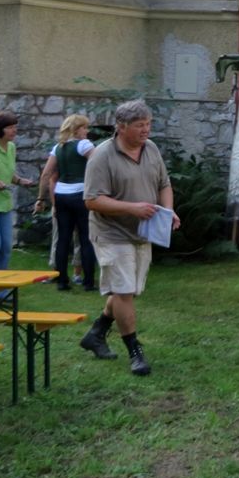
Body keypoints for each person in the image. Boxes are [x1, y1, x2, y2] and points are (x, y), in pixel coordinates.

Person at [78, 100, 180, 376]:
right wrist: (132, 208)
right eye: (139, 125)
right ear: (121, 127)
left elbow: (164, 184)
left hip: (142, 233)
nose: (146, 130)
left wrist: (167, 211)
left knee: (127, 290)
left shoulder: (151, 149)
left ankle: (96, 333)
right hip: (111, 234)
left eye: (148, 124)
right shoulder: (102, 156)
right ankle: (135, 352)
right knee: (123, 291)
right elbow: (92, 200)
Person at [34, 114, 98, 291]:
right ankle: (88, 282)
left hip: (61, 195)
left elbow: (46, 175)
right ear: (76, 129)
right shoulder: (84, 145)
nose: (87, 131)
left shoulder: (58, 148)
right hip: (80, 195)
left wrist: (41, 198)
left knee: (63, 238)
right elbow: (98, 163)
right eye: (84, 127)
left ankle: (62, 281)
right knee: (86, 238)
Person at [0, 112, 35, 301]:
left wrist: (20, 180)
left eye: (15, 127)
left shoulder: (12, 147)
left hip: (4, 203)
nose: (15, 130)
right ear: (0, 129)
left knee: (6, 247)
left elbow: (8, 173)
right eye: (10, 127)